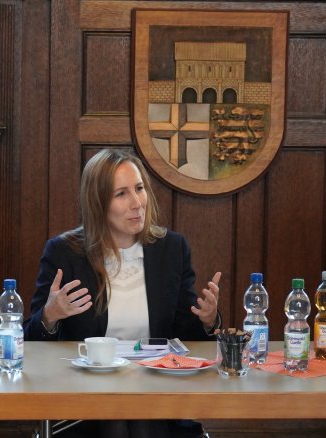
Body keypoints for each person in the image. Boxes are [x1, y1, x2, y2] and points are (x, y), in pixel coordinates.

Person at [25, 149, 221, 438]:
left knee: (139, 418)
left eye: (139, 189)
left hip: (156, 387)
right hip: (86, 393)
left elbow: (184, 333)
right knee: (119, 419)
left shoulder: (171, 249)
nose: (137, 203)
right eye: (121, 194)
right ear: (97, 203)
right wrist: (49, 317)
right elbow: (30, 341)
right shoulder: (64, 253)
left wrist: (207, 321)